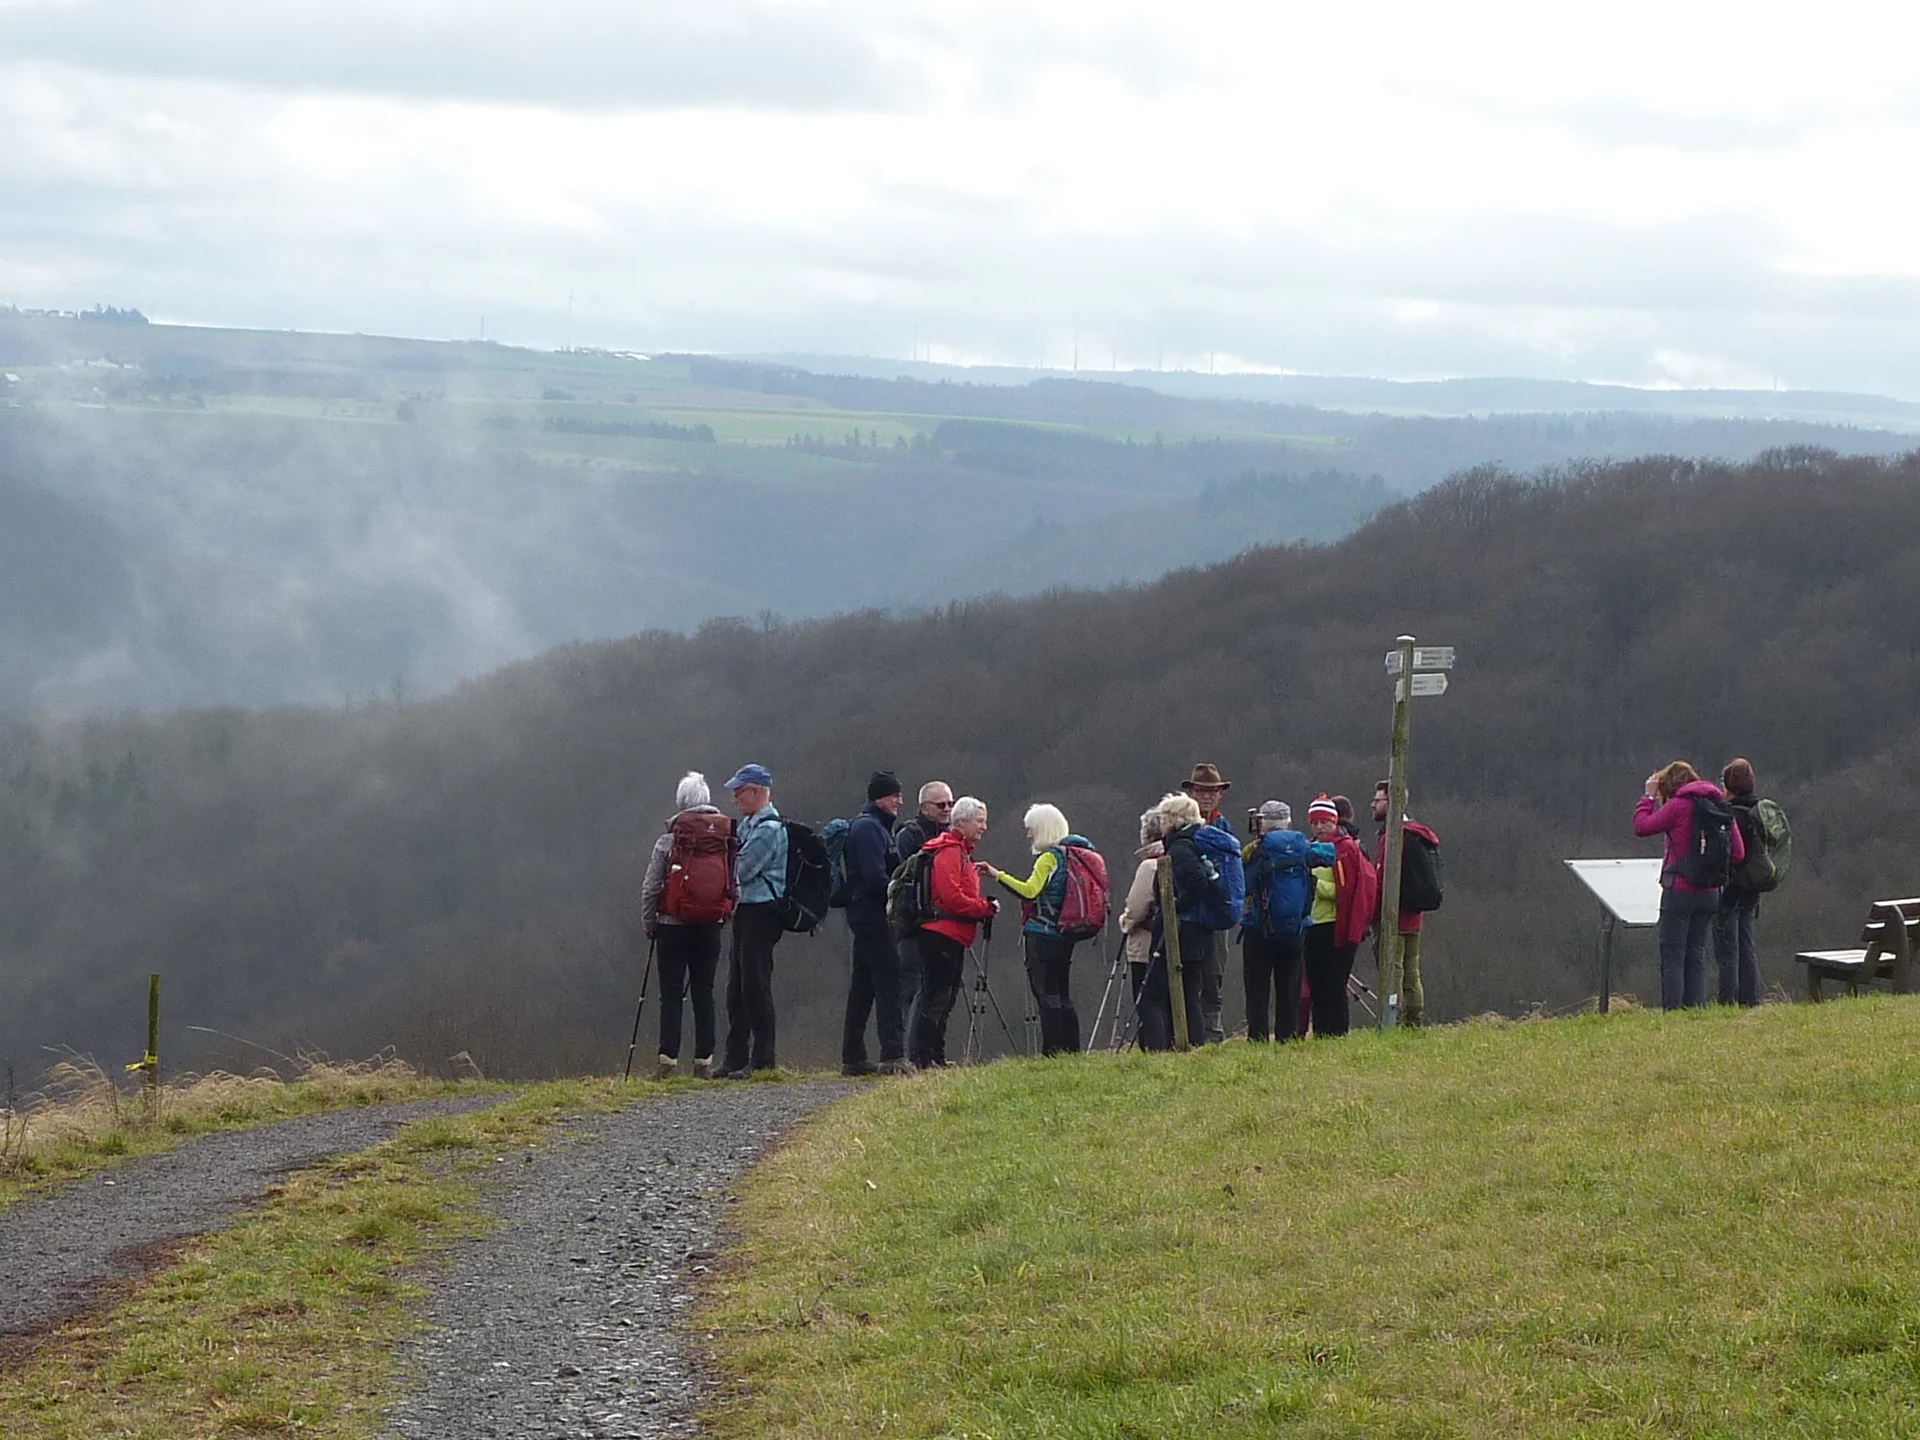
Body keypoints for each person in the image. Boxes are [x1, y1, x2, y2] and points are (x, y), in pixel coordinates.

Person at [983, 803, 1094, 1057]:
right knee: (1063, 993)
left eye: (1031, 829)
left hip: (1043, 934)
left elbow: (1029, 890)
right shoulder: (1073, 856)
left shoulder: (1049, 858)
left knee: (1046, 994)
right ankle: (1072, 1049)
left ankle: (1052, 1051)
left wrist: (997, 875)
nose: (1029, 835)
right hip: (1066, 934)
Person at [1634, 760, 1745, 1011]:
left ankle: (1673, 1012)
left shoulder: (1677, 806)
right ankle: (1696, 1011)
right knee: (1697, 952)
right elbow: (1737, 853)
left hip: (1679, 890)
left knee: (1673, 954)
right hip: (1710, 893)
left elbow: (1642, 827)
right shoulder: (1719, 804)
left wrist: (1647, 797)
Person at [638, 771, 727, 1079]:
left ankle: (667, 1061)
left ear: (681, 802)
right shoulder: (724, 839)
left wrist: (650, 923)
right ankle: (704, 1061)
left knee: (671, 993)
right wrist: (722, 915)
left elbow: (651, 887)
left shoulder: (669, 840)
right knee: (704, 990)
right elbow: (734, 884)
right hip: (710, 925)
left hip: (672, 926)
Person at [911, 796, 997, 1067]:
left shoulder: (959, 851)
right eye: (979, 821)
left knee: (944, 997)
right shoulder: (949, 851)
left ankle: (934, 1056)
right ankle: (923, 1057)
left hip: (950, 934)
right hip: (941, 933)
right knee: (936, 996)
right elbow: (951, 898)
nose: (984, 827)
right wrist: (983, 908)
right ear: (962, 822)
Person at [1242, 800, 1331, 1042]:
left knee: (1258, 988)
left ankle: (1258, 1038)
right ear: (1289, 822)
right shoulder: (1303, 847)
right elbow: (1329, 856)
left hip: (1258, 928)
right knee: (1289, 987)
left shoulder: (1255, 850)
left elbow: (1245, 884)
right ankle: (1287, 1038)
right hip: (1295, 928)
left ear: (1262, 824)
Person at [842, 771, 911, 1076]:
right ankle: (893, 1054)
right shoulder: (870, 830)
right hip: (874, 917)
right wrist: (897, 894)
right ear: (880, 798)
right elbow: (874, 877)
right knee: (888, 982)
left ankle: (853, 1055)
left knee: (863, 986)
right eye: (895, 795)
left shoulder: (870, 827)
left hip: (863, 916)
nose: (899, 801)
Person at [722, 763, 787, 1076]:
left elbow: (741, 871)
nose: (735, 798)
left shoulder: (767, 829)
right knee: (737, 987)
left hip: (762, 911)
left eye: (739, 791)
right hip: (745, 910)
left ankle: (762, 1058)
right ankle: (734, 1057)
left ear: (756, 791)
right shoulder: (749, 826)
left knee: (755, 984)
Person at [1303, 794, 1377, 1036]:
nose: (1319, 827)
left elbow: (1345, 891)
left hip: (1335, 926)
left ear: (1334, 821)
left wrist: (1315, 885)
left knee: (1334, 986)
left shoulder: (1345, 850)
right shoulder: (1309, 848)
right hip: (1312, 926)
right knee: (1316, 987)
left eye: (1324, 821)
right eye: (1315, 822)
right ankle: (1322, 1034)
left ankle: (1337, 1034)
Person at [1149, 791, 1217, 1046]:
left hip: (1181, 930)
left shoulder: (1180, 849)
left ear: (1174, 819)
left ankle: (1159, 1050)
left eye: (1164, 817)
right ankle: (1196, 1045)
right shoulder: (1195, 843)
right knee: (1190, 993)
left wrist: (1173, 907)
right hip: (1198, 930)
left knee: (1153, 995)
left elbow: (1197, 883)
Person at [1371, 780, 1441, 1027]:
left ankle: (1393, 1022)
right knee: (1412, 974)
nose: (1373, 804)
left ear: (1391, 803)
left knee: (1393, 973)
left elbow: (1381, 881)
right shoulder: (1419, 834)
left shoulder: (1392, 837)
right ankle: (1414, 1021)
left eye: (1378, 800)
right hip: (1415, 916)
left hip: (1393, 918)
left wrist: (1370, 915)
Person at [890, 780, 954, 1046]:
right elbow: (897, 878)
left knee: (939, 990)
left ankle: (929, 1049)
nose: (947, 809)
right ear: (924, 807)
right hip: (913, 927)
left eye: (950, 804)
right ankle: (900, 1050)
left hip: (941, 926)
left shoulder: (952, 839)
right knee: (910, 988)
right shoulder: (909, 836)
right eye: (941, 805)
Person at [1179, 764, 1237, 1043]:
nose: (1206, 797)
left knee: (1213, 977)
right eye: (1201, 791)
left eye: (1212, 791)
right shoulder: (1176, 824)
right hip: (1186, 914)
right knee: (1185, 977)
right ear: (1190, 792)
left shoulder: (1222, 827)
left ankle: (1211, 1036)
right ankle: (1183, 1035)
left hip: (1214, 913)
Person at [1715, 758, 1766, 1008]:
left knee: (1727, 949)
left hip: (1731, 889)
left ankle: (1727, 1000)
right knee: (1747, 944)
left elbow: (1727, 855)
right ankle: (1751, 999)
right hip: (1753, 888)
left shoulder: (1730, 815)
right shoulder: (1760, 812)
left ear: (1728, 785)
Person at [1119, 806, 1169, 1050]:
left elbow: (1136, 907)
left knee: (1147, 1000)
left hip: (1145, 945)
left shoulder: (1149, 866)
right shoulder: (1176, 856)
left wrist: (1124, 922)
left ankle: (1154, 1049)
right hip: (1172, 943)